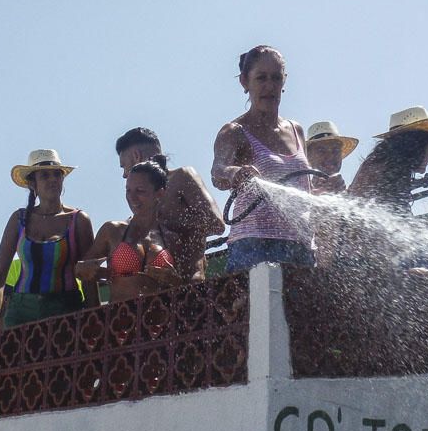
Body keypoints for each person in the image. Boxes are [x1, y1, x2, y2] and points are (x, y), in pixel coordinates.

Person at [211, 45, 316, 272]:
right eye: (261, 78)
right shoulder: (235, 131)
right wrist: (235, 173)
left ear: (284, 81)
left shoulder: (296, 129)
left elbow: (303, 187)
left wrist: (324, 188)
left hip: (300, 245)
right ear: (244, 82)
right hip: (255, 245)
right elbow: (217, 172)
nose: (270, 86)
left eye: (276, 78)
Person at [0, 150, 98, 340]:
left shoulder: (78, 220)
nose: (52, 179)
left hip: (65, 310)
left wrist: (95, 319)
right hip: (20, 313)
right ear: (32, 184)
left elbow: (88, 278)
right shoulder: (19, 220)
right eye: (44, 175)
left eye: (56, 174)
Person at [338, 106, 428, 270]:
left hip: (386, 252)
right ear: (416, 144)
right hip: (365, 261)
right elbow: (360, 223)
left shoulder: (394, 169)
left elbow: (397, 223)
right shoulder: (379, 169)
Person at [116, 128, 224, 282]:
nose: (124, 174)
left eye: (123, 166)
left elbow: (216, 224)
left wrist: (164, 226)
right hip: (153, 293)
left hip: (189, 286)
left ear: (136, 156)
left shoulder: (181, 177)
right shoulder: (139, 198)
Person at [76, 157, 179, 302]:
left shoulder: (171, 237)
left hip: (161, 321)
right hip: (120, 321)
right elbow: (80, 270)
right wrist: (88, 270)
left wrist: (174, 280)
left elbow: (186, 287)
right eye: (128, 190)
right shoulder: (112, 230)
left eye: (140, 191)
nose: (132, 198)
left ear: (160, 194)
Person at [303, 121, 358, 194]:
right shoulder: (299, 192)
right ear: (309, 157)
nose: (330, 156)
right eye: (321, 151)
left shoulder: (354, 196)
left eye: (336, 150)